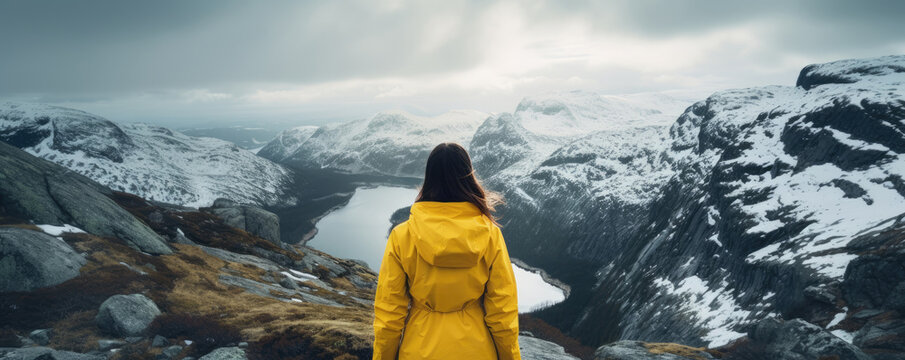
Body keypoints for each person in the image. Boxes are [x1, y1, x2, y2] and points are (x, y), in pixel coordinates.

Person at [373, 143, 521, 360]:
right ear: (468, 178)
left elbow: (389, 316)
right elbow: (503, 313)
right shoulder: (490, 235)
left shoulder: (401, 236)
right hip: (477, 352)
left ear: (429, 178)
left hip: (418, 351)